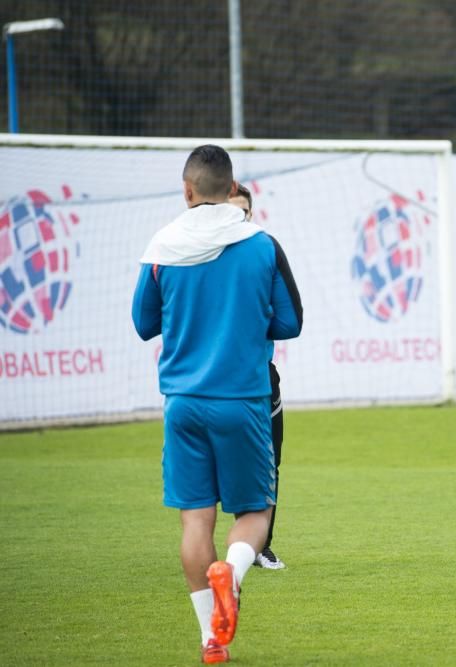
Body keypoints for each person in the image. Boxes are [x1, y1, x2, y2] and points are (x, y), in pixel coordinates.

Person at [132, 145, 303, 664]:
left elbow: (144, 324)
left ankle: (213, 639)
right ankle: (232, 570)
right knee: (255, 511)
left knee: (194, 523)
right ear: (232, 190)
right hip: (242, 400)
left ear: (187, 191)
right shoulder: (262, 245)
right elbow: (289, 322)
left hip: (182, 403)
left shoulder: (162, 247)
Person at [229, 183, 286, 571]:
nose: (238, 219)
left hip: (261, 377)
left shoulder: (263, 253)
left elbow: (289, 319)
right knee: (223, 472)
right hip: (221, 383)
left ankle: (260, 546)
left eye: (243, 212)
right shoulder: (199, 257)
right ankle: (232, 552)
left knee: (270, 465)